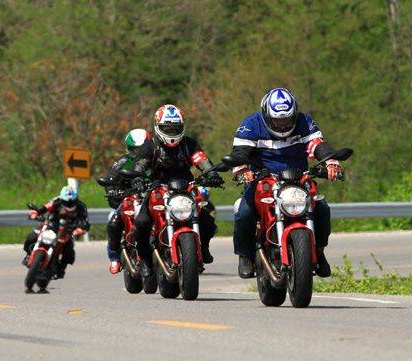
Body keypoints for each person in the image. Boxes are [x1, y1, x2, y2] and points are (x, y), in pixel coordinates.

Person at [230, 87, 343, 279]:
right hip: (262, 180)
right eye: (277, 120)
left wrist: (330, 162)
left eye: (286, 119)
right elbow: (240, 152)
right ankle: (245, 256)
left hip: (299, 179)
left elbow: (317, 144)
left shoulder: (304, 121)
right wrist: (242, 170)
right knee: (245, 212)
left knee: (322, 208)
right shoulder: (251, 124)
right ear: (266, 114)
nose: (282, 124)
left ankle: (319, 250)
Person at [131, 104, 223, 279]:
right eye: (168, 128)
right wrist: (136, 178)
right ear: (158, 127)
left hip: (185, 187)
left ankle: (202, 248)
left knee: (208, 223)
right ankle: (144, 260)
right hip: (157, 187)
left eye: (176, 128)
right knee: (141, 224)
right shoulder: (150, 146)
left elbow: (201, 160)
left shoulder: (189, 144)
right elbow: (139, 164)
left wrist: (212, 173)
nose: (172, 131)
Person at [100, 128, 151, 274]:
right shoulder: (123, 162)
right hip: (130, 197)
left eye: (142, 149)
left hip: (152, 196)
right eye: (135, 149)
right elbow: (111, 179)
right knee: (114, 222)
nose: (139, 152)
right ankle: (115, 259)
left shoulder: (156, 159)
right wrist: (111, 191)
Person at [22, 185, 90, 279]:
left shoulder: (81, 207)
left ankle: (61, 268)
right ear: (62, 199)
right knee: (32, 236)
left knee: (69, 252)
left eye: (71, 202)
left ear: (76, 200)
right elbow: (45, 208)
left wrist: (80, 229)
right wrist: (36, 212)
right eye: (66, 202)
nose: (68, 204)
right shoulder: (56, 201)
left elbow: (85, 221)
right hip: (51, 225)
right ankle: (28, 255)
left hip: (68, 230)